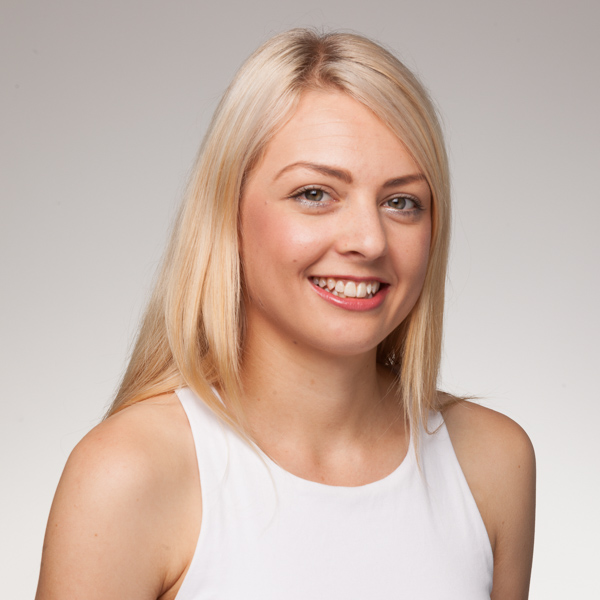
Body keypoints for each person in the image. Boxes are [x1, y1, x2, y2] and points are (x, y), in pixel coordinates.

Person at [35, 29, 535, 599]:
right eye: (315, 194)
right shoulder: (130, 474)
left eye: (401, 202)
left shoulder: (493, 463)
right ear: (227, 214)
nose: (369, 240)